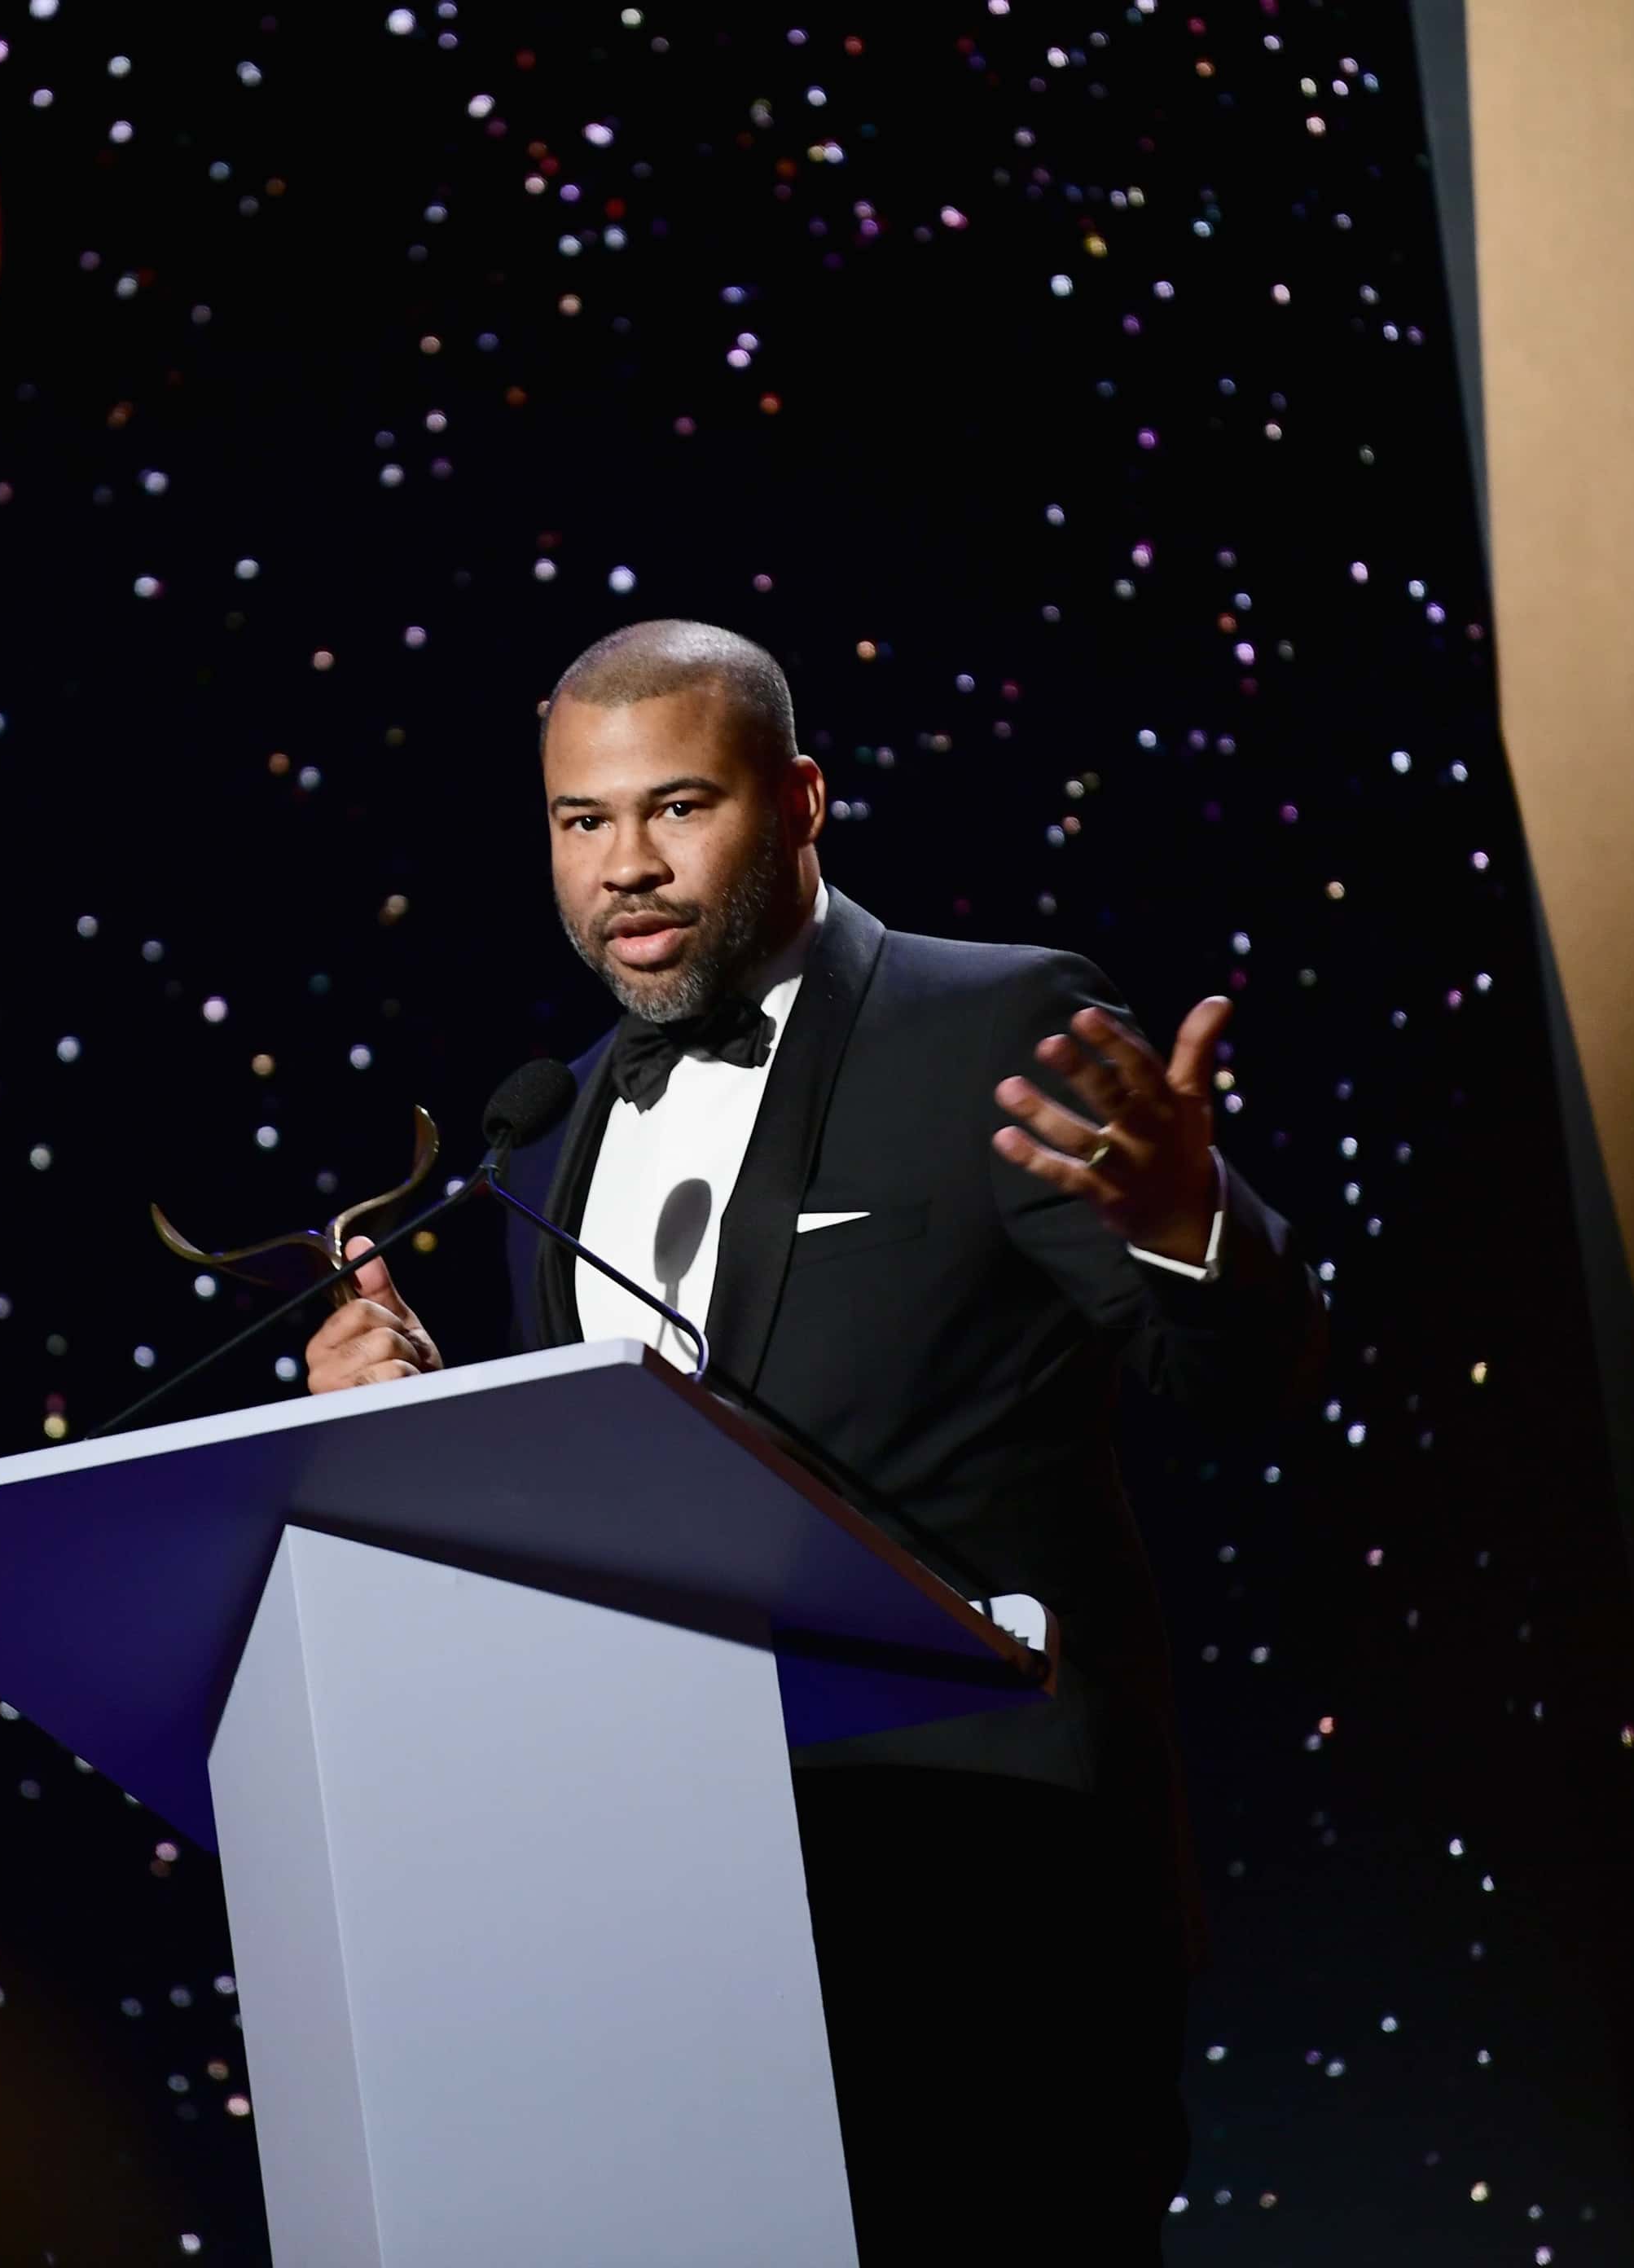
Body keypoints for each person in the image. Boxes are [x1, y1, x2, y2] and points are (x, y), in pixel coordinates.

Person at [302, 619, 1326, 2259]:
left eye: (678, 808)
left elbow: (1244, 1381)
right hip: (676, 1915)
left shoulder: (995, 1027)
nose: (625, 866)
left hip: (992, 1896)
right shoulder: (548, 1136)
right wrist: (427, 1434)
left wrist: (1191, 1225)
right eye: (583, 822)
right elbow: (609, 1525)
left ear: (799, 801)